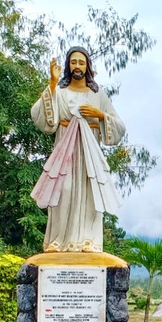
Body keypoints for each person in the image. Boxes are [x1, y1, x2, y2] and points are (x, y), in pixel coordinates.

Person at [30, 47, 126, 253]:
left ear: (87, 66)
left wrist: (100, 115)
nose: (77, 66)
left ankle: (89, 240)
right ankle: (58, 239)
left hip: (89, 152)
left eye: (81, 63)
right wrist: (52, 83)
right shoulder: (60, 91)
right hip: (66, 150)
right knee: (63, 190)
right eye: (73, 62)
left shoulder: (97, 94)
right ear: (68, 65)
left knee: (90, 192)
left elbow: (119, 126)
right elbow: (41, 117)